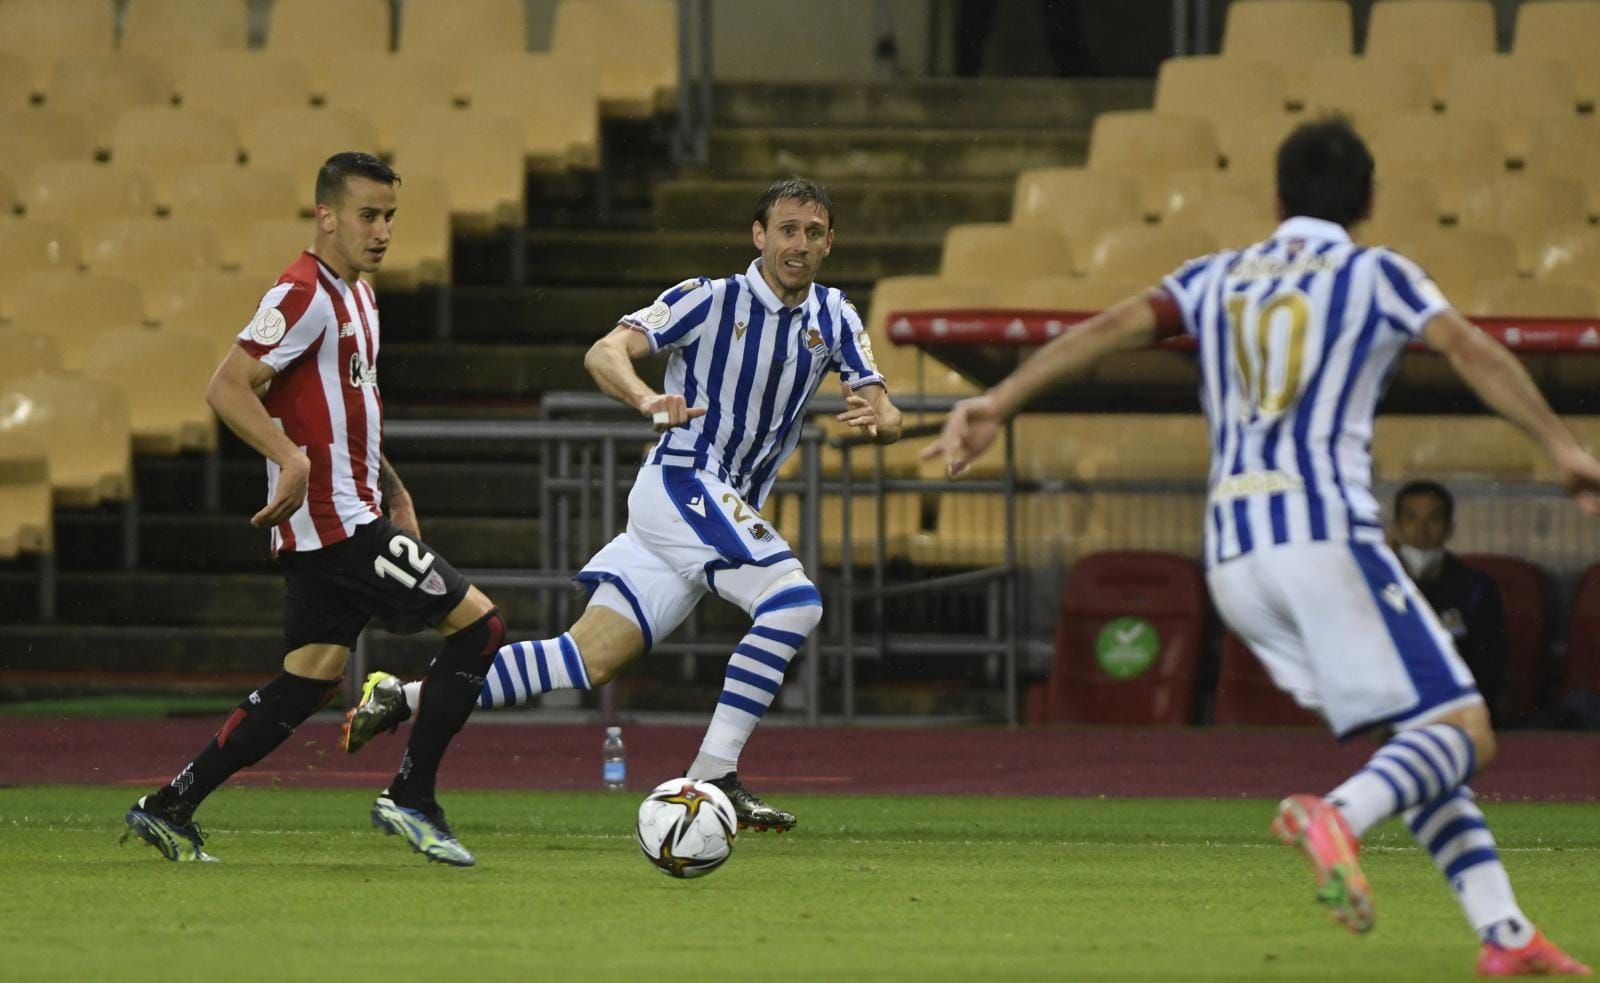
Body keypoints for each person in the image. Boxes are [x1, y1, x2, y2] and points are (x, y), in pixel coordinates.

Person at [924, 118, 1593, 976]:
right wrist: (1562, 445)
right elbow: (1468, 346)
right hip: (1323, 537)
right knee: (1468, 727)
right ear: (1370, 202)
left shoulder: (1216, 275)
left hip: (1234, 560)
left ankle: (1505, 933)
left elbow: (1117, 323)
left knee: (1419, 735)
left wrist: (1001, 399)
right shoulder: (1376, 272)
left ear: (1275, 199)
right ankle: (1338, 816)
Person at [342, 177, 904, 832]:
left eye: (812, 232)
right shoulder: (707, 299)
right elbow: (604, 350)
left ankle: (401, 695)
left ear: (829, 241)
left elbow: (883, 404)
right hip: (683, 480)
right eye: (786, 229)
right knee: (794, 601)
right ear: (759, 235)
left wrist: (883, 418)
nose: (798, 244)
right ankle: (714, 774)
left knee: (586, 657)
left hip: (709, 507)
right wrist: (645, 398)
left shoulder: (835, 316)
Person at [121, 152, 504, 868]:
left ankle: (171, 803)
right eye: (368, 215)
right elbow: (228, 385)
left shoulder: (358, 293)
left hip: (350, 514)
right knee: (481, 627)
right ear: (325, 215)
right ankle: (411, 795)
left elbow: (349, 411)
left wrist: (396, 488)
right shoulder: (302, 292)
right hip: (337, 525)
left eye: (391, 216)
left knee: (309, 679)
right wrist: (290, 456)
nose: (383, 230)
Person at [1392, 480, 1510, 724]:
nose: (1421, 530)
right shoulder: (1379, 585)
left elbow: (1491, 668)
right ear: (1397, 527)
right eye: (1411, 518)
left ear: (1449, 528)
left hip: (1460, 715)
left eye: (1433, 519)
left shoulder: (1475, 588)